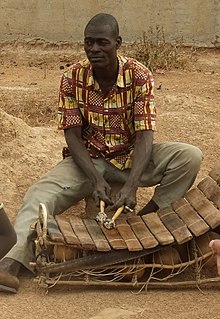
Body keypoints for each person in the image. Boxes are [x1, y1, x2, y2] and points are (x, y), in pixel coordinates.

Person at [0, 13, 203, 293]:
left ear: (118, 43)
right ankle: (11, 263)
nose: (94, 49)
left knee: (189, 156)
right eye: (88, 43)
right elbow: (72, 134)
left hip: (131, 156)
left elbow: (145, 134)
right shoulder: (72, 77)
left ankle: (147, 219)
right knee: (39, 194)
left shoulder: (139, 75)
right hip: (89, 159)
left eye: (102, 43)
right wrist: (95, 180)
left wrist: (131, 185)